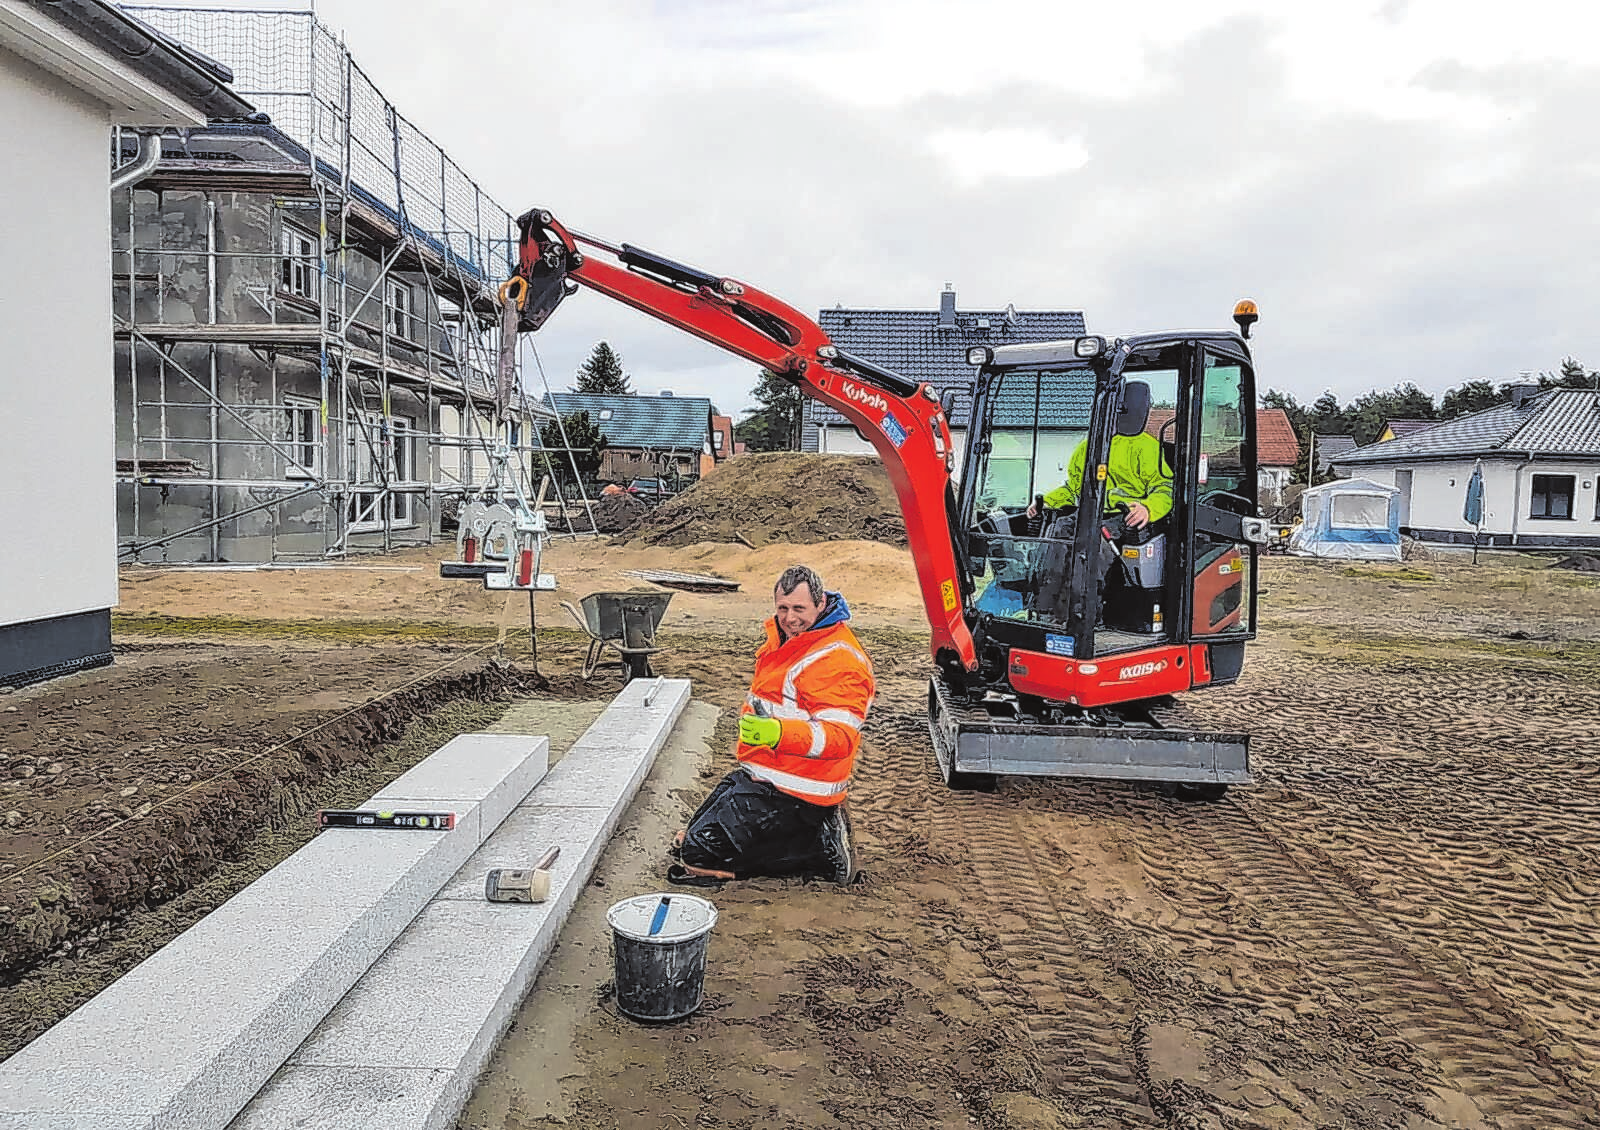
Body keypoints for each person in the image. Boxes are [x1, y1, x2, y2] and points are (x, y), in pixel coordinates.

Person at [669, 565, 875, 887]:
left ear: (821, 604)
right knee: (687, 837)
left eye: (798, 609)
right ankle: (809, 835)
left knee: (697, 857)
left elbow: (840, 738)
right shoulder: (792, 640)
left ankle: (819, 851)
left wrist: (778, 734)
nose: (790, 618)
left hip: (800, 788)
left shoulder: (838, 658)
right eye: (783, 608)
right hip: (767, 771)